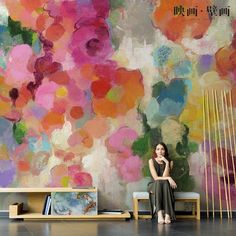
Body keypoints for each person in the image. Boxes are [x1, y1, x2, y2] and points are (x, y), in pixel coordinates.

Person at [147, 142, 177, 224]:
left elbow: (164, 176)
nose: (160, 151)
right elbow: (156, 178)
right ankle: (160, 214)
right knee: (160, 182)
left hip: (165, 185)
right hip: (154, 185)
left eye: (162, 149)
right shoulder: (151, 161)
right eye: (158, 149)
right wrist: (169, 178)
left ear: (165, 151)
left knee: (164, 183)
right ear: (155, 151)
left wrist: (166, 163)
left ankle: (167, 215)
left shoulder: (170, 162)